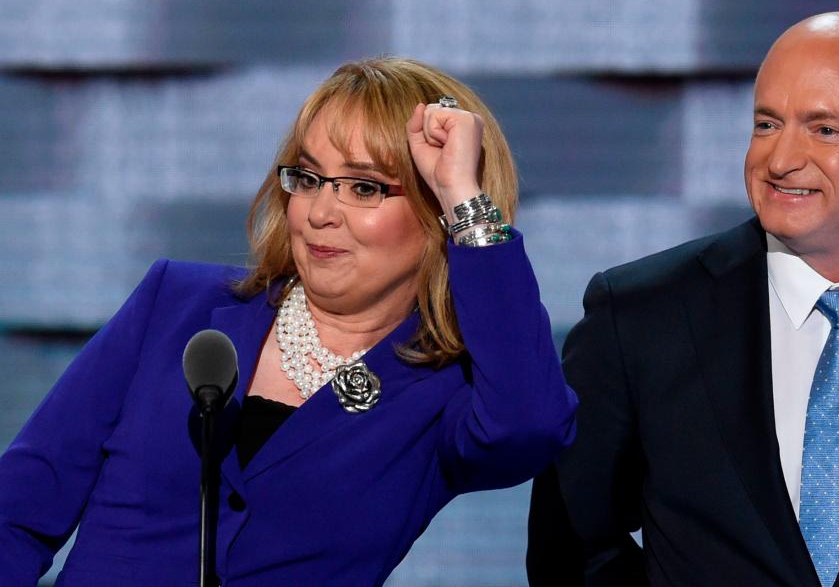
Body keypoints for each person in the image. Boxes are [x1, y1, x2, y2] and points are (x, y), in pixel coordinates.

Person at [0, 57, 577, 585]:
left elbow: (530, 427)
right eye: (308, 177)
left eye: (364, 187)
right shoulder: (175, 305)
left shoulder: (443, 391)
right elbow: (18, 510)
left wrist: (466, 199)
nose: (322, 213)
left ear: (435, 219)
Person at [527, 11, 839, 586]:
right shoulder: (639, 315)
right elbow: (570, 554)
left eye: (824, 129)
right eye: (767, 124)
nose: (780, 159)